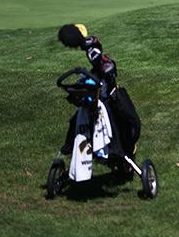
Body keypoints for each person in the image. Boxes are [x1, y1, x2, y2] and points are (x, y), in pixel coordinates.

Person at [57, 24, 140, 158]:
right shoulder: (91, 45)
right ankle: (74, 146)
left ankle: (116, 150)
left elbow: (102, 63)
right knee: (77, 119)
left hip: (105, 98)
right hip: (99, 93)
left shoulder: (92, 50)